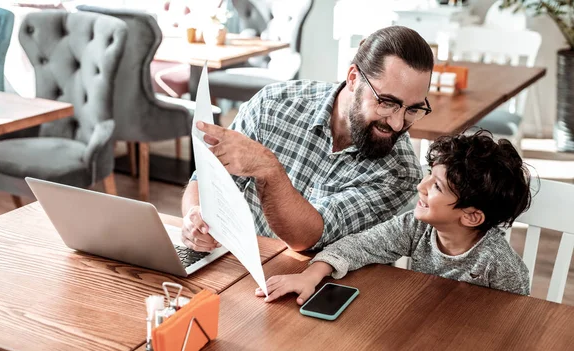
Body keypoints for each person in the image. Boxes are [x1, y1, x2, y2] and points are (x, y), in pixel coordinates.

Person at [182, 26, 434, 252]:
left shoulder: (400, 172)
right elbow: (205, 182)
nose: (398, 123)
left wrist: (269, 169)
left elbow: (305, 238)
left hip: (317, 289)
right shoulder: (274, 105)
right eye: (387, 102)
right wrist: (195, 217)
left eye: (413, 109)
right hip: (238, 263)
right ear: (353, 79)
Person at [256, 130, 533, 302]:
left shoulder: (499, 264)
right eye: (428, 176)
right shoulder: (416, 228)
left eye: (436, 186)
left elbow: (518, 317)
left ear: (472, 217)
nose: (420, 187)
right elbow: (360, 245)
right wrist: (312, 274)